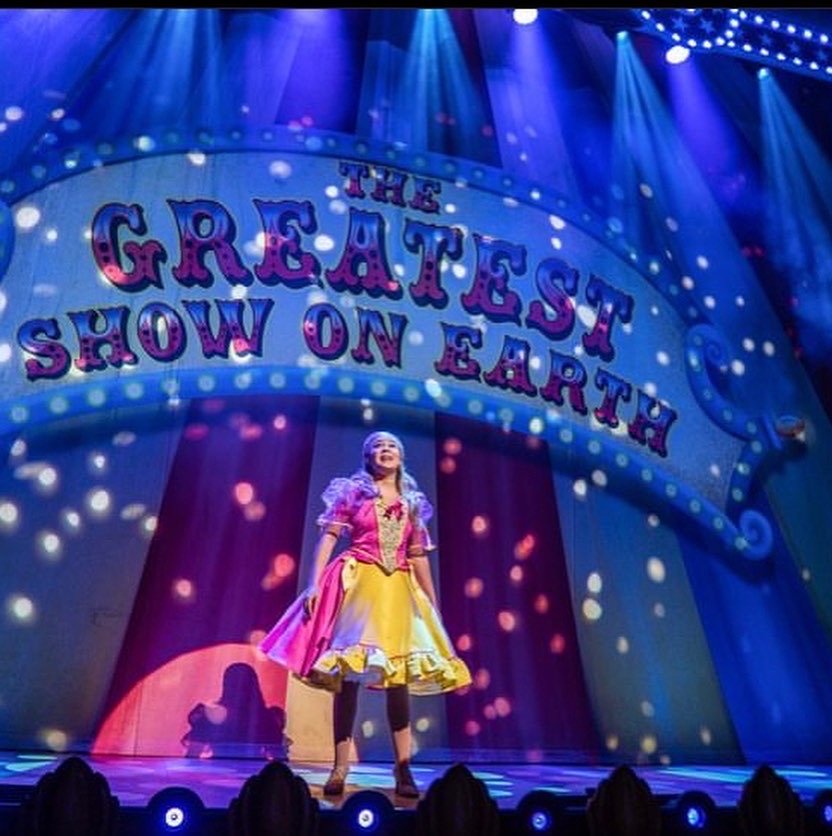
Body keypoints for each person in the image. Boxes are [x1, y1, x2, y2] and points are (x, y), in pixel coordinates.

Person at [259, 430, 472, 798]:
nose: (385, 450)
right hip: (361, 584)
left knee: (399, 676)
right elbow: (328, 536)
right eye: (377, 446)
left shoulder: (413, 502)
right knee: (350, 677)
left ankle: (403, 769)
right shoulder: (352, 493)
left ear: (401, 457)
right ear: (368, 458)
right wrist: (312, 584)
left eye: (391, 446)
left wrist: (432, 603)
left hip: (399, 590)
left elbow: (418, 554)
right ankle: (340, 766)